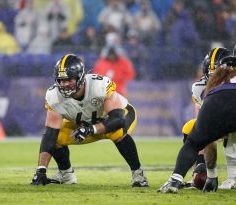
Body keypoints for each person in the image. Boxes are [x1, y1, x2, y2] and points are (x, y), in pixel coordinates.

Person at [30, 54, 148, 187]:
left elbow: (117, 119)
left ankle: (138, 174)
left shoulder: (98, 85)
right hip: (84, 124)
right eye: (61, 80)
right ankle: (66, 174)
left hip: (116, 117)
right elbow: (50, 134)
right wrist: (41, 171)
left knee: (117, 132)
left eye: (69, 80)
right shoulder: (54, 96)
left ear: (80, 77)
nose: (65, 84)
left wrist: (91, 129)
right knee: (56, 137)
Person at [158, 55, 236, 194]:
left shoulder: (212, 84)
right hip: (218, 100)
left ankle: (175, 179)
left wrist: (212, 175)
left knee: (193, 142)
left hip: (215, 101)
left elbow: (209, 141)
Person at [181, 47, 231, 189]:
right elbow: (200, 122)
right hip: (215, 124)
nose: (214, 76)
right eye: (211, 72)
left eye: (217, 72)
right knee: (190, 128)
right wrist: (201, 161)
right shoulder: (199, 87)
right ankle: (200, 171)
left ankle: (233, 177)